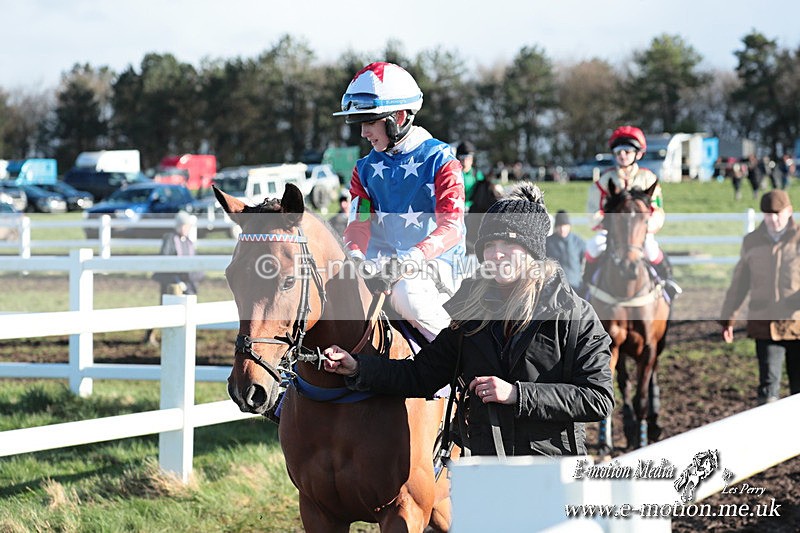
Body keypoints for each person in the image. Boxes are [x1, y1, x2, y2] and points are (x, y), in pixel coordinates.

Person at [323, 184, 614, 457]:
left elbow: (598, 398)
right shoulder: (471, 315)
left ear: (533, 251)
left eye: (509, 244)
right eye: (489, 245)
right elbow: (421, 376)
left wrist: (517, 394)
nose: (496, 254)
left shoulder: (575, 315)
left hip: (553, 471)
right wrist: (358, 366)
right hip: (483, 470)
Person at [334, 61, 466, 342]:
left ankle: (460, 365)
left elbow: (452, 227)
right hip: (381, 263)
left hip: (436, 265)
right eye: (360, 123)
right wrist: (356, 256)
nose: (363, 132)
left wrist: (409, 259)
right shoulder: (364, 169)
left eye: (369, 122)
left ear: (400, 116)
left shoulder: (441, 160)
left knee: (407, 292)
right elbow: (358, 224)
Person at [719, 190, 800, 405]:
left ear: (789, 211)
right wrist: (728, 318)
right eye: (767, 214)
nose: (772, 219)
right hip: (765, 325)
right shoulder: (752, 241)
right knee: (768, 390)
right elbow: (739, 283)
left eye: (777, 213)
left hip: (797, 325)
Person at [584, 125, 682, 299]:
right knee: (593, 248)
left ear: (638, 154)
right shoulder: (603, 181)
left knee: (651, 249)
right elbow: (592, 212)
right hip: (611, 232)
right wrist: (606, 222)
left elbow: (657, 210)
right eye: (618, 151)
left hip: (639, 233)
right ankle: (585, 288)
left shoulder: (648, 178)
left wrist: (646, 226)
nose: (622, 155)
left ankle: (668, 282)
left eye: (627, 151)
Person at [145, 211, 203, 345]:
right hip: (170, 280)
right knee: (164, 309)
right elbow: (165, 259)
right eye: (184, 226)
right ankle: (150, 334)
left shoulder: (188, 241)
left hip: (187, 282)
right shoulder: (170, 239)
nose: (186, 229)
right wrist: (177, 279)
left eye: (187, 226)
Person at [546, 210, 586, 293]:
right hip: (555, 287)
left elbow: (584, 260)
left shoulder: (578, 241)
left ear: (569, 226)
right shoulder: (548, 242)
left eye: (565, 225)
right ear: (555, 227)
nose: (562, 229)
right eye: (559, 226)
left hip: (576, 286)